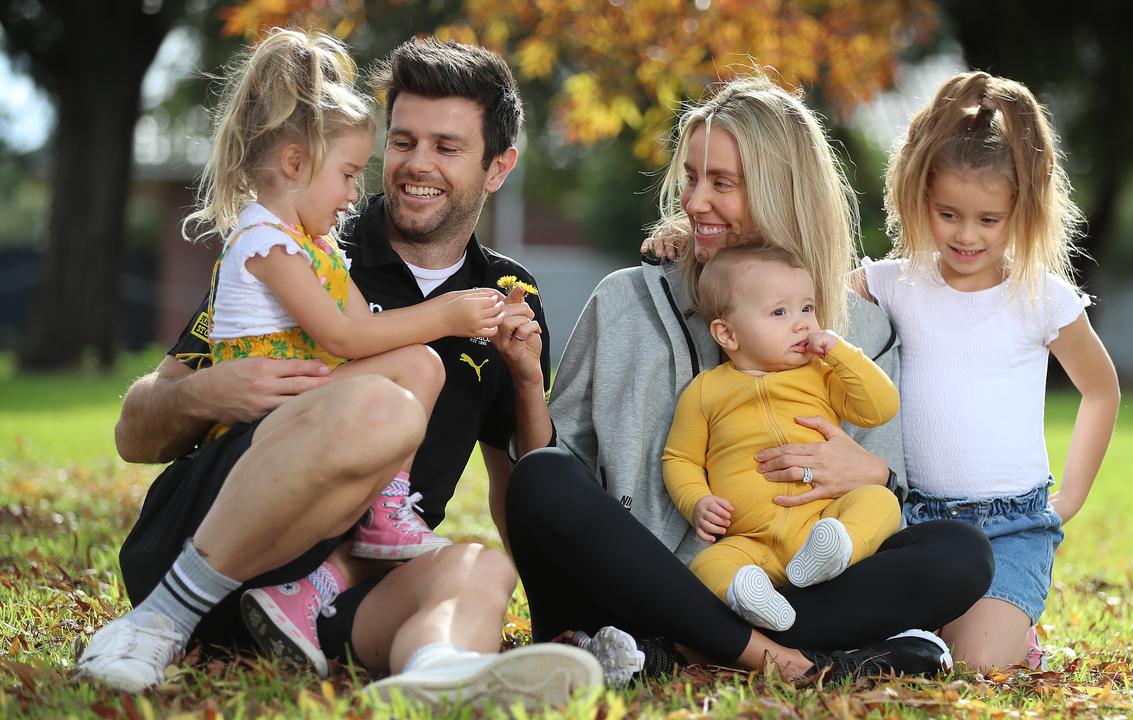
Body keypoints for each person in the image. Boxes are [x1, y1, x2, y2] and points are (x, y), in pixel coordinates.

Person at [75, 36, 601, 706]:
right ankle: (158, 620)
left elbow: (521, 488)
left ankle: (435, 676)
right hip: (214, 546)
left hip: (321, 602)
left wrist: (527, 380)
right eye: (404, 140)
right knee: (379, 406)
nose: (415, 164)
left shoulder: (502, 292)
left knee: (479, 566)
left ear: (498, 167)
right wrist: (207, 391)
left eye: (446, 147)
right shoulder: (312, 237)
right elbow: (134, 433)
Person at [504, 75, 995, 687]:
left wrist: (878, 476)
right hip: (631, 592)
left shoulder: (858, 330)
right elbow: (554, 471)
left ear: (779, 191)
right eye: (690, 178)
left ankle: (683, 650)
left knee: (962, 552)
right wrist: (527, 381)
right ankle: (793, 660)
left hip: (783, 588)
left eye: (721, 184)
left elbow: (887, 501)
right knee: (540, 480)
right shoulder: (625, 299)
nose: (693, 202)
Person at [859, 71, 1120, 668]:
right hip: (908, 517)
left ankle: (1005, 632)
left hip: (1012, 527)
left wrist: (1071, 497)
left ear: (1021, 211)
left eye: (988, 219)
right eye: (948, 214)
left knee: (977, 667)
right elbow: (807, 296)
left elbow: (1100, 390)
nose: (966, 235)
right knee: (896, 648)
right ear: (918, 196)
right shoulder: (894, 283)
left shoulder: (1040, 297)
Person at [664, 245, 902, 632]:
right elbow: (680, 458)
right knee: (708, 565)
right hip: (751, 542)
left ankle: (838, 550)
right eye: (780, 312)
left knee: (880, 501)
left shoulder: (822, 376)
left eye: (807, 308)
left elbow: (882, 406)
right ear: (727, 333)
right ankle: (751, 596)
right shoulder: (706, 390)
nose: (802, 324)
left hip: (822, 520)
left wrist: (843, 355)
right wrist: (697, 501)